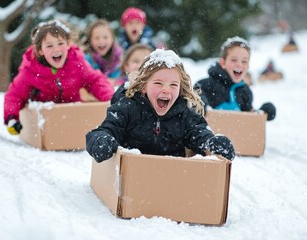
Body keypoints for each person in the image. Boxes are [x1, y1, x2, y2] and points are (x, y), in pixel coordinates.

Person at [86, 49, 235, 163]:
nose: (166, 89)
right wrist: (101, 140)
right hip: (132, 173)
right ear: (143, 86)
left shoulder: (184, 113)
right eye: (158, 83)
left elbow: (199, 134)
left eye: (173, 85)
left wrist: (212, 143)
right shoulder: (127, 107)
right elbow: (105, 130)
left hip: (171, 177)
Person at [4, 20, 114, 135]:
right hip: (45, 123)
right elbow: (15, 94)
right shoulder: (31, 69)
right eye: (49, 46)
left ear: (68, 44)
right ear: (40, 50)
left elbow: (95, 80)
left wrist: (111, 99)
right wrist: (12, 118)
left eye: (60, 43)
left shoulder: (76, 62)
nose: (56, 50)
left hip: (73, 118)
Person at [194, 36, 276, 121]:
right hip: (209, 132)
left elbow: (249, 118)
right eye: (234, 60)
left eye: (244, 61)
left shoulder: (245, 91)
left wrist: (263, 113)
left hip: (235, 133)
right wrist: (201, 104)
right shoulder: (205, 85)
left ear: (248, 65)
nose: (239, 65)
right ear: (223, 63)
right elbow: (194, 98)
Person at [83, 19, 123, 86]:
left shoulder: (118, 59)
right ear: (90, 40)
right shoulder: (85, 60)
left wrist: (116, 82)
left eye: (105, 37)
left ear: (112, 39)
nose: (101, 41)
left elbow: (123, 81)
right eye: (97, 38)